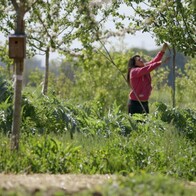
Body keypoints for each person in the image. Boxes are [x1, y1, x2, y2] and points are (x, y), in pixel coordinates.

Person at [127, 43, 169, 115]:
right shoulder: (134, 71)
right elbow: (148, 68)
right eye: (138, 59)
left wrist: (162, 51)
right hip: (135, 103)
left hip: (144, 102)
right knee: (136, 125)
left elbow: (154, 61)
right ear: (134, 63)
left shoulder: (143, 67)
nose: (141, 59)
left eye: (140, 58)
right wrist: (161, 62)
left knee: (145, 124)